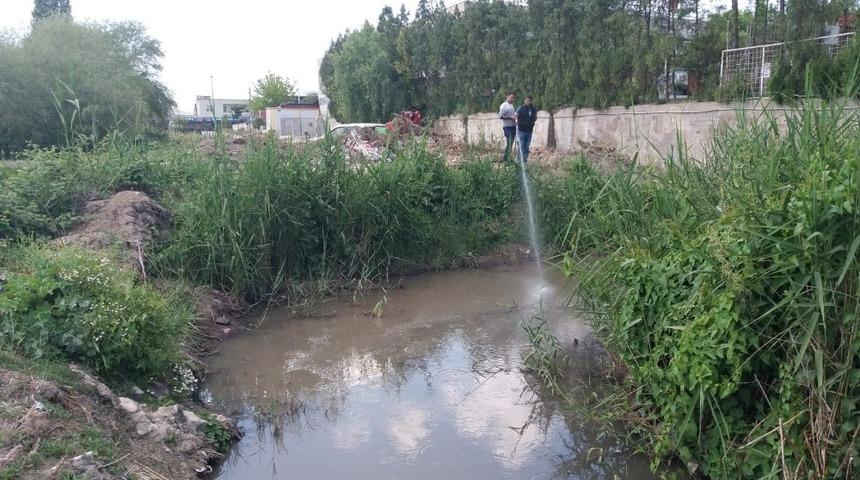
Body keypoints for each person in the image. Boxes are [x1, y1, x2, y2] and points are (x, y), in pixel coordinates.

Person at [515, 96, 537, 163]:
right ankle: (519, 160)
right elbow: (516, 116)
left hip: (529, 131)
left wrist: (531, 123)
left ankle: (524, 160)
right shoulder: (520, 108)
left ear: (531, 101)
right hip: (521, 130)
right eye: (527, 101)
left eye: (530, 101)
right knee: (521, 145)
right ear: (524, 101)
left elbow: (535, 117)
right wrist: (518, 122)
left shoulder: (534, 109)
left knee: (527, 146)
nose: (528, 102)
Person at [498, 92, 516, 162]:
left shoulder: (511, 105)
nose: (513, 99)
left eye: (513, 98)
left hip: (513, 126)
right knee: (509, 141)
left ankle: (506, 158)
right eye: (511, 97)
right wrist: (510, 118)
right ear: (507, 97)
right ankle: (506, 158)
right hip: (507, 127)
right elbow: (500, 116)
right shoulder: (504, 106)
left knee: (510, 143)